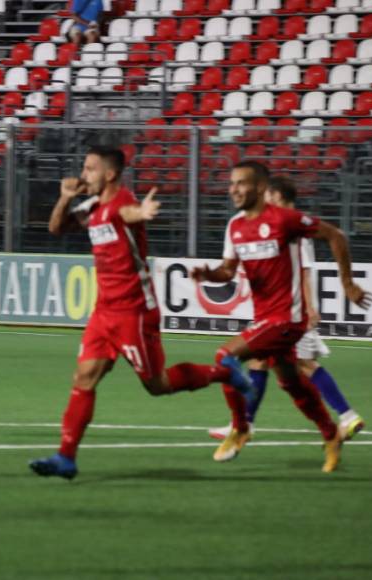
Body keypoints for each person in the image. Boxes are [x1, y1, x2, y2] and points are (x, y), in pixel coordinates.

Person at [28, 148, 255, 480]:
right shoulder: (92, 207)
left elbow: (129, 213)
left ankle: (224, 373)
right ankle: (66, 457)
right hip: (104, 312)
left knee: (157, 384)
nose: (83, 174)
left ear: (109, 174)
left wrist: (143, 212)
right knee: (83, 378)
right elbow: (55, 228)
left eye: (90, 168)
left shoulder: (122, 202)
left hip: (134, 312)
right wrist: (64, 198)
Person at [163, 161, 372, 473]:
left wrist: (348, 284)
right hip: (264, 318)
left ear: (260, 188)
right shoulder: (235, 226)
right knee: (292, 382)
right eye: (231, 183)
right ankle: (331, 434)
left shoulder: (285, 220)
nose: (233, 189)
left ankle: (241, 428)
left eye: (241, 183)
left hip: (288, 319)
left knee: (225, 357)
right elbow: (228, 270)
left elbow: (336, 235)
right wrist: (209, 274)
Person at [208, 175, 365, 442]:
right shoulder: (284, 223)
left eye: (268, 194)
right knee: (262, 362)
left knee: (303, 365)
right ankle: (245, 423)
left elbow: (304, 271)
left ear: (277, 196)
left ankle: (347, 416)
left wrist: (310, 307)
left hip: (292, 311)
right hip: (280, 312)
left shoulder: (289, 226)